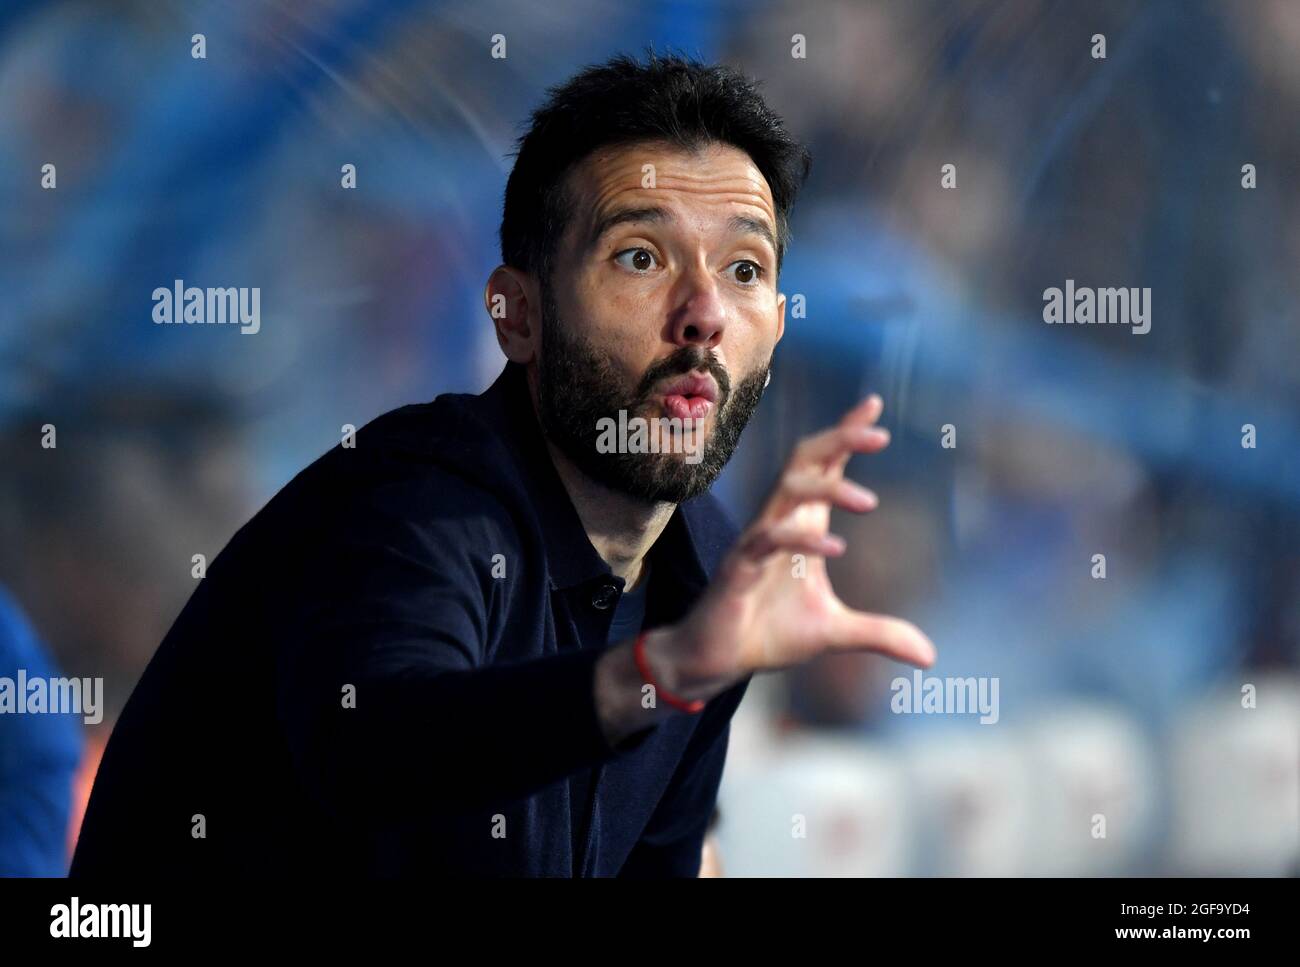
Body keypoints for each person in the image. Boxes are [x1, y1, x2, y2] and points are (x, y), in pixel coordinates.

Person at [70, 51, 934, 878]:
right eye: (640, 256)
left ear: (777, 330)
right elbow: (371, 746)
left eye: (744, 268)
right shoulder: (410, 507)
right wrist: (661, 673)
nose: (705, 312)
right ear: (516, 315)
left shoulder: (708, 568)